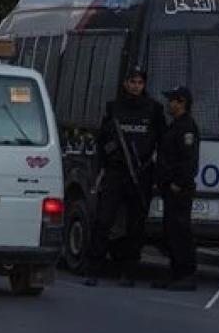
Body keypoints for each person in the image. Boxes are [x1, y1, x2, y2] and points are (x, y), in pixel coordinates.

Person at [84, 67, 165, 287]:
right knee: (103, 221)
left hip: (142, 174)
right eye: (132, 81)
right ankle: (93, 269)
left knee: (136, 226)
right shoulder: (114, 107)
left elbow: (162, 141)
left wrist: (155, 170)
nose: (136, 86)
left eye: (139, 82)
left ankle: (128, 272)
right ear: (125, 84)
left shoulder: (154, 109)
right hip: (116, 173)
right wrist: (104, 165)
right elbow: (103, 140)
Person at [153, 86, 200, 291]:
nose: (168, 104)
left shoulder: (186, 127)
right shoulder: (176, 125)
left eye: (171, 100)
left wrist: (178, 183)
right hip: (170, 189)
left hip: (179, 190)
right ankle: (175, 272)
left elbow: (189, 161)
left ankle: (186, 274)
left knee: (180, 231)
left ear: (181, 102)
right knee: (171, 231)